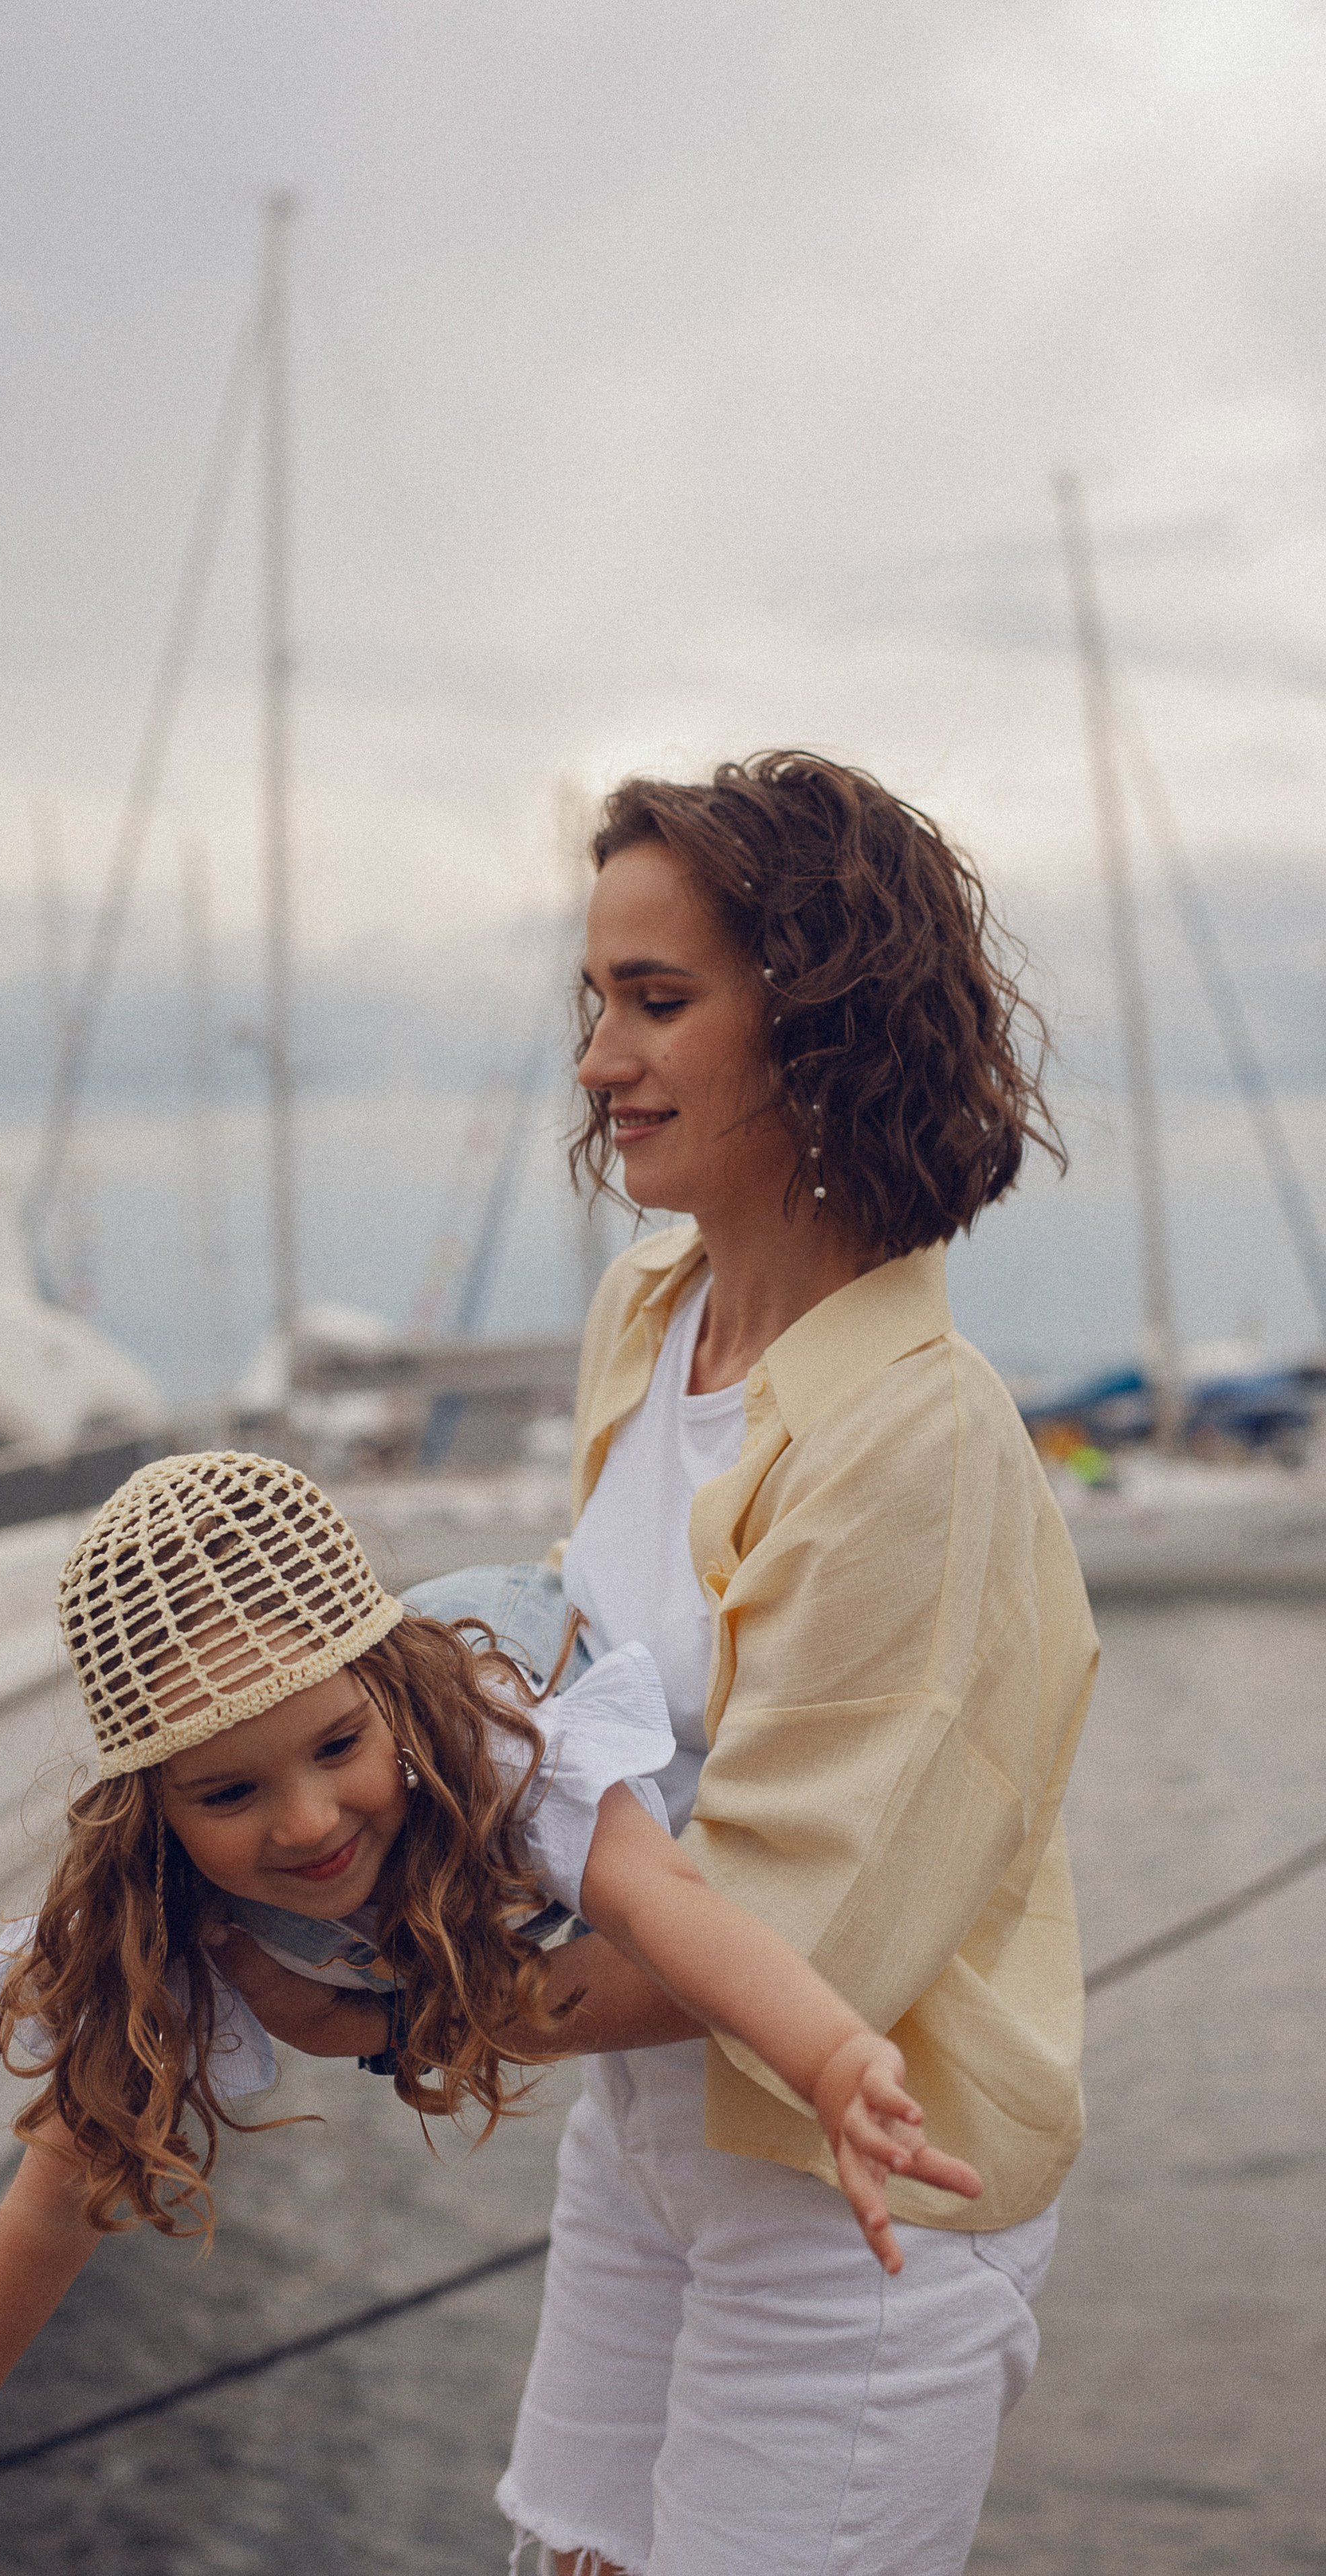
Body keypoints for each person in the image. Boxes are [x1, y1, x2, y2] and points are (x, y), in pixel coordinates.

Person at [282, 751, 1097, 2575]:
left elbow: (798, 1935)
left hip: (858, 2195)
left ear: (818, 1023)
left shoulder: (923, 1440)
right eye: (596, 1002)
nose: (599, 1058)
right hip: (651, 2137)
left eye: (658, 1002)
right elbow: (575, 1713)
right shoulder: (648, 1314)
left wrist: (392, 2016)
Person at [0, 1448, 980, 2576]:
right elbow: (58, 2195)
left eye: (337, 1748)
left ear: (386, 1697)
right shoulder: (173, 1905)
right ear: (155, 1812)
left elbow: (664, 1905)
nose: (305, 1822)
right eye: (229, 1793)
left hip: (647, 1757)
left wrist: (831, 2057)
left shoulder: (494, 1740)